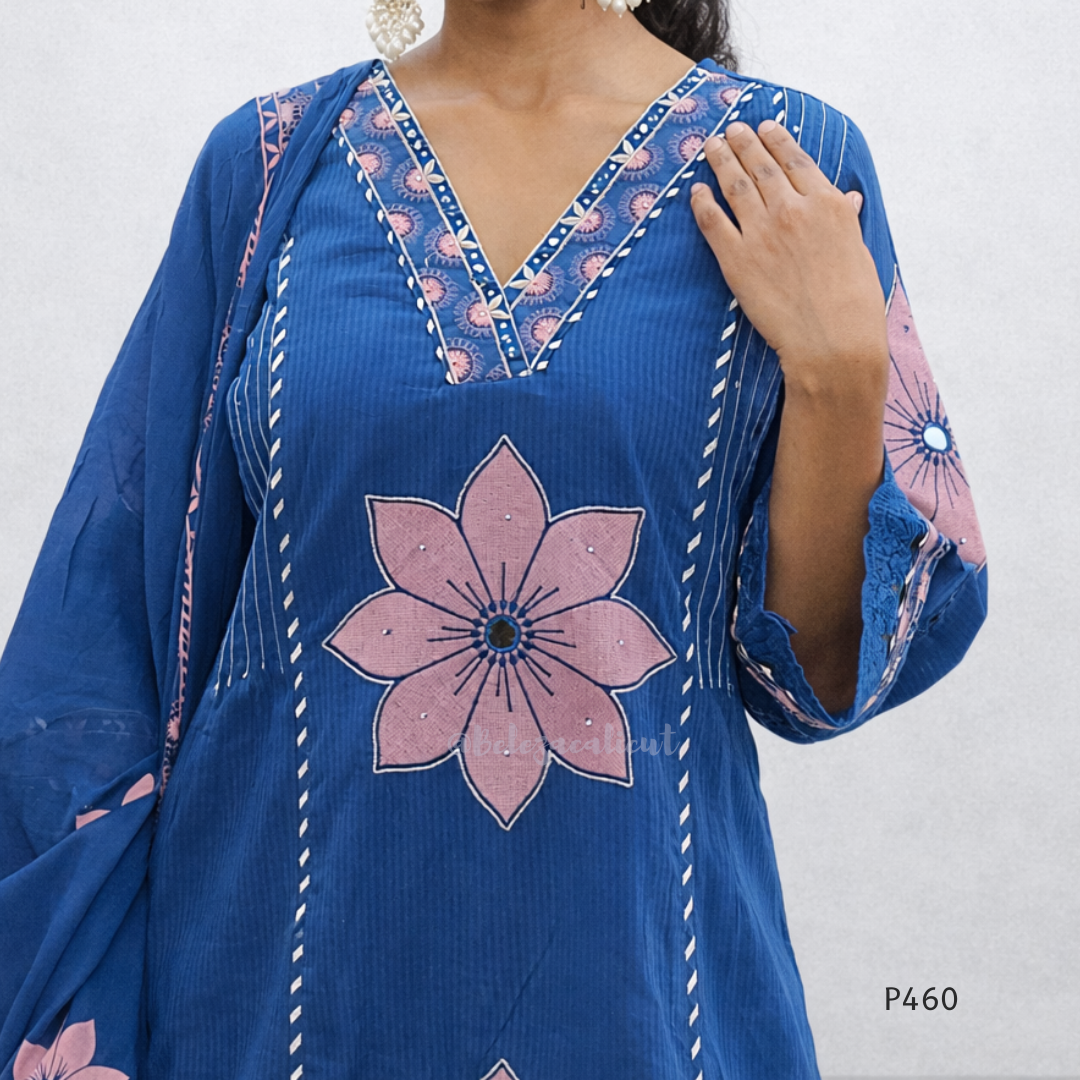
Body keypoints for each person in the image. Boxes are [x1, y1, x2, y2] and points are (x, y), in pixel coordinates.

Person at [0, 1, 988, 1077]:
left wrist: (842, 372)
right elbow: (105, 651)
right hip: (274, 1009)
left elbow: (819, 675)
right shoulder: (270, 167)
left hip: (641, 1010)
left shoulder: (787, 169)